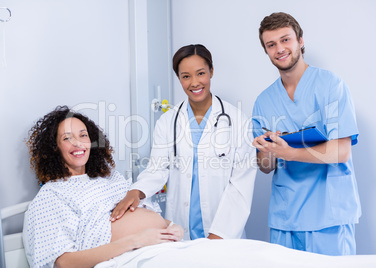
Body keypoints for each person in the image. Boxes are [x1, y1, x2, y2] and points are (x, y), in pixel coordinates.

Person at [111, 44, 257, 240]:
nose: (194, 83)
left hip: (223, 233)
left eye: (201, 73)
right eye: (186, 76)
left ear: (211, 72)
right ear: (179, 78)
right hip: (180, 230)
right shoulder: (167, 121)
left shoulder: (238, 121)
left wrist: (219, 235)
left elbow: (241, 186)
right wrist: (136, 191)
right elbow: (157, 169)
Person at [252, 12, 361, 256]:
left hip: (328, 215)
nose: (279, 48)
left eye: (285, 40)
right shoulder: (264, 101)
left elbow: (341, 151)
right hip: (285, 217)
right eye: (271, 44)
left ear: (300, 40)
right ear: (266, 51)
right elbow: (266, 166)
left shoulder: (331, 85)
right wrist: (267, 149)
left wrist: (288, 152)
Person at [23, 106, 184, 268]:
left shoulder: (111, 178)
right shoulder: (51, 195)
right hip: (127, 257)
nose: (78, 143)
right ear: (54, 147)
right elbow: (64, 262)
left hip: (163, 247)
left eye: (83, 135)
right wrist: (135, 241)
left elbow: (141, 213)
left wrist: (172, 227)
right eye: (67, 138)